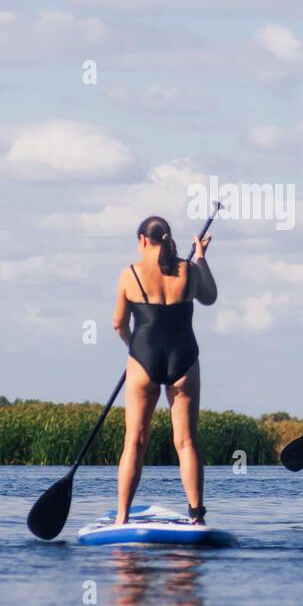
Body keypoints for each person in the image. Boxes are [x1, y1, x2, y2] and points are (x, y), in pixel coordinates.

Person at [112, 216, 217, 526]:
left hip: (143, 360)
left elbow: (118, 323)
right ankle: (196, 515)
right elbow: (210, 297)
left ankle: (122, 516)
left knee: (134, 441)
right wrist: (200, 258)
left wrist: (134, 350)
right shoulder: (190, 270)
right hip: (184, 359)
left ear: (143, 240)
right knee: (186, 442)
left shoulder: (129, 274)